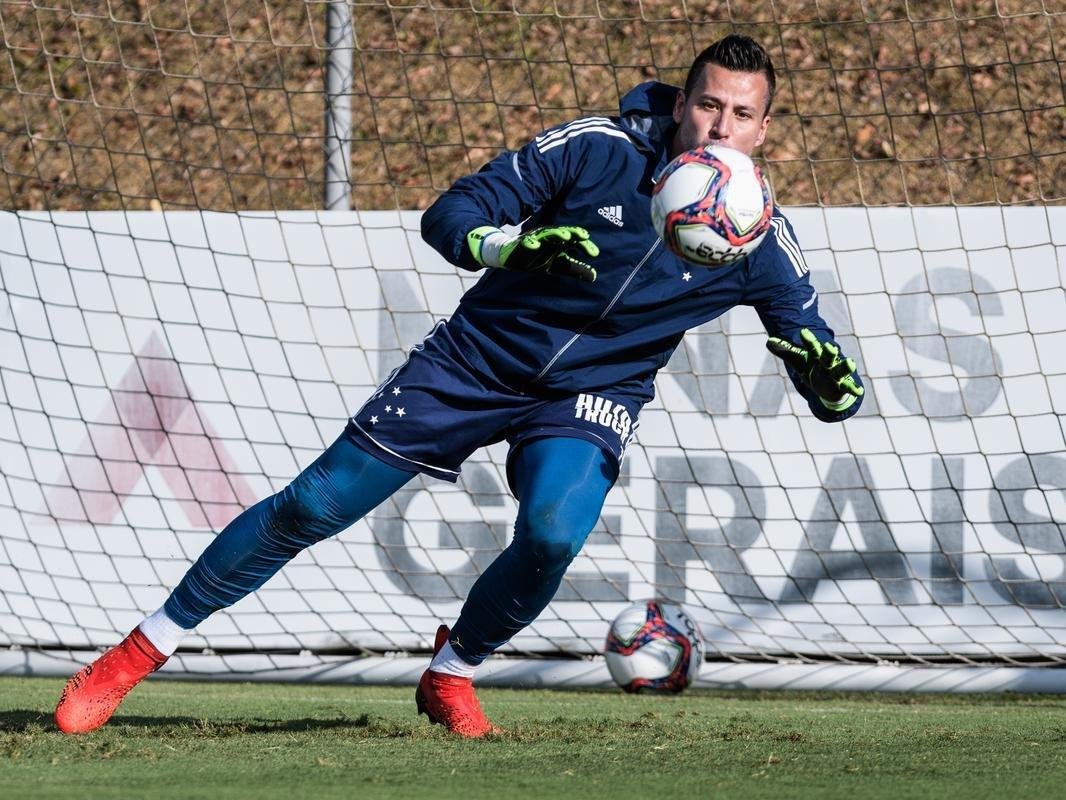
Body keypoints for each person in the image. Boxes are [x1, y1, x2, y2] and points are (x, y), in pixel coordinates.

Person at [54, 34, 863, 738]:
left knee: (551, 535)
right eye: (709, 107)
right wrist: (507, 250)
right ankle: (135, 653)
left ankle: (452, 670)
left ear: (765, 128)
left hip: (591, 394)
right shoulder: (597, 148)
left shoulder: (759, 234)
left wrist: (828, 380)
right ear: (681, 103)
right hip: (474, 361)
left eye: (742, 115)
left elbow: (825, 369)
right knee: (314, 505)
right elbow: (452, 212)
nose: (721, 128)